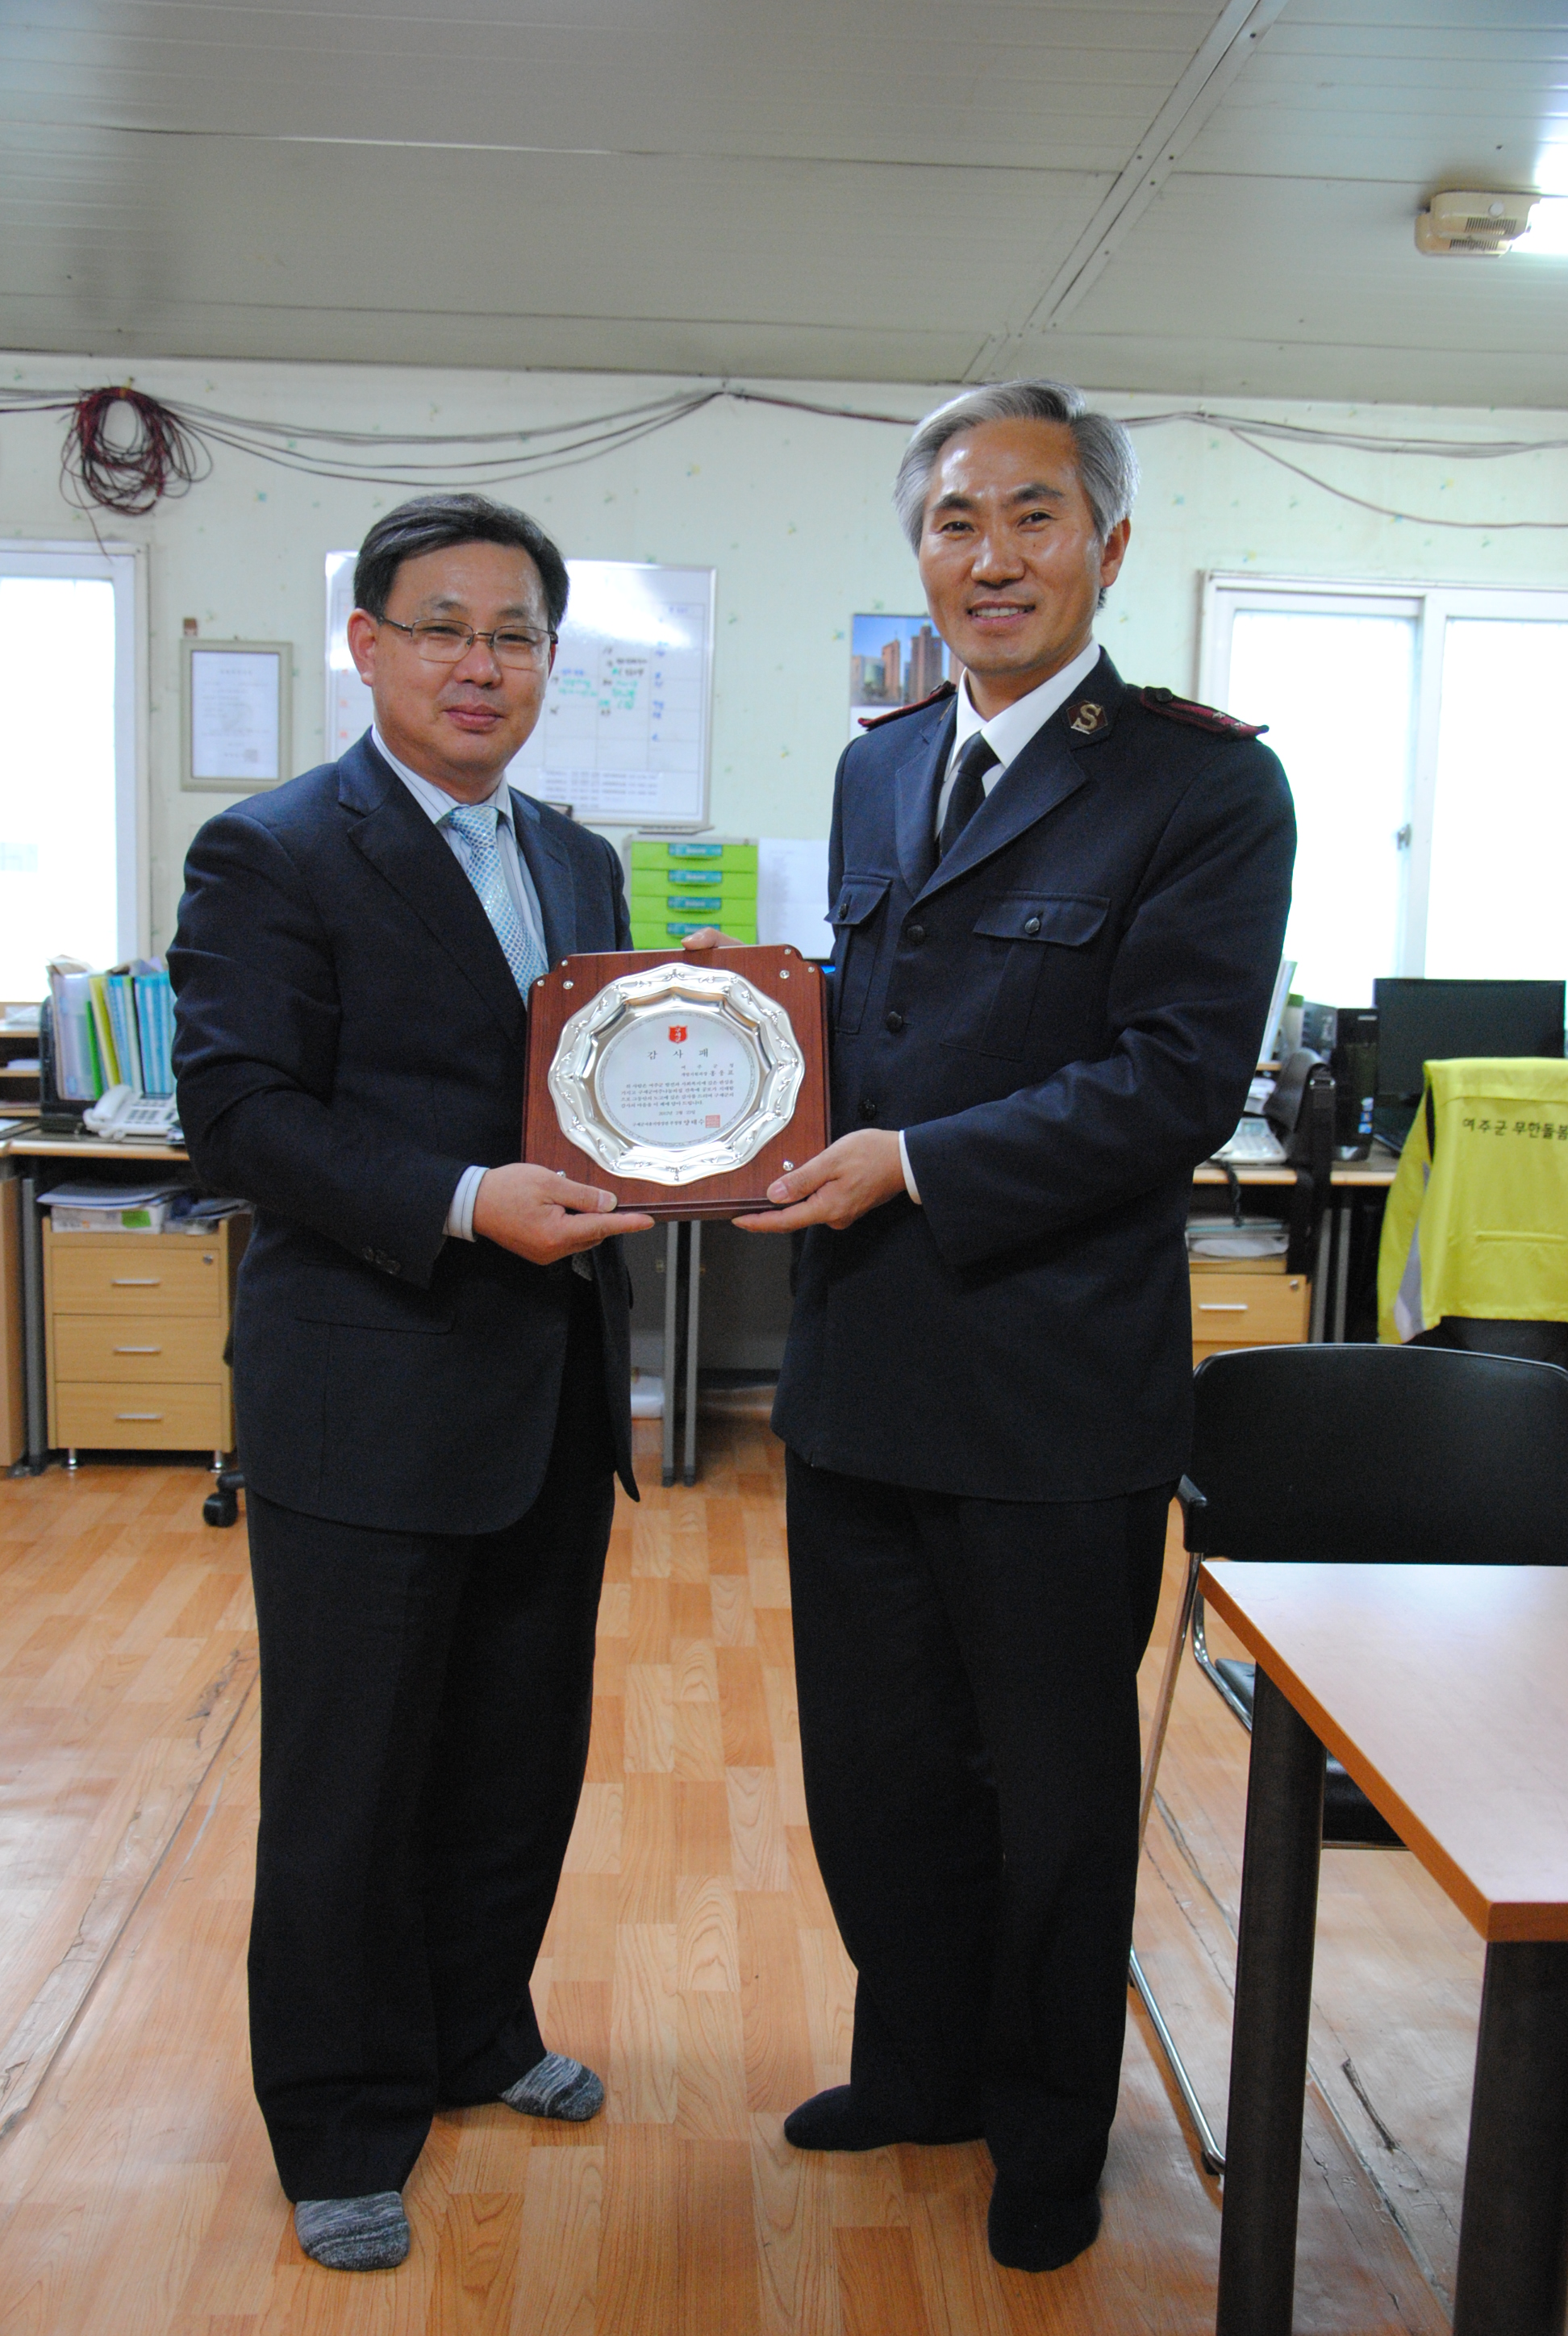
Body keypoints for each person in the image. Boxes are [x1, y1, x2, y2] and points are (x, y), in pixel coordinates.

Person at [736, 382, 1295, 2273]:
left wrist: (909, 1160)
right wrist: (733, 1064)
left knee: (1051, 1793)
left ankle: (1050, 2126)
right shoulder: (880, 764)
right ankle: (919, 2064)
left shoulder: (1205, 787)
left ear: (1107, 547)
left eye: (1035, 516)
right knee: (876, 1767)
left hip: (1055, 1385)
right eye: (958, 520)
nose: (994, 556)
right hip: (862, 1365)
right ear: (921, 551)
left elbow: (1173, 1082)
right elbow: (864, 1021)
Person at [170, 494, 655, 2273]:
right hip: (366, 1394)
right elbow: (238, 1114)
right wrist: (463, 1201)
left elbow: (598, 1092)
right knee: (352, 1780)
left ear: (549, 661)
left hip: (548, 1388)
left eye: (514, 632)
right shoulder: (274, 851)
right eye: (442, 625)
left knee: (516, 1751)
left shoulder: (581, 863)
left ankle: (474, 2029)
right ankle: (337, 2116)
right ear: (365, 644)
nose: (479, 661)